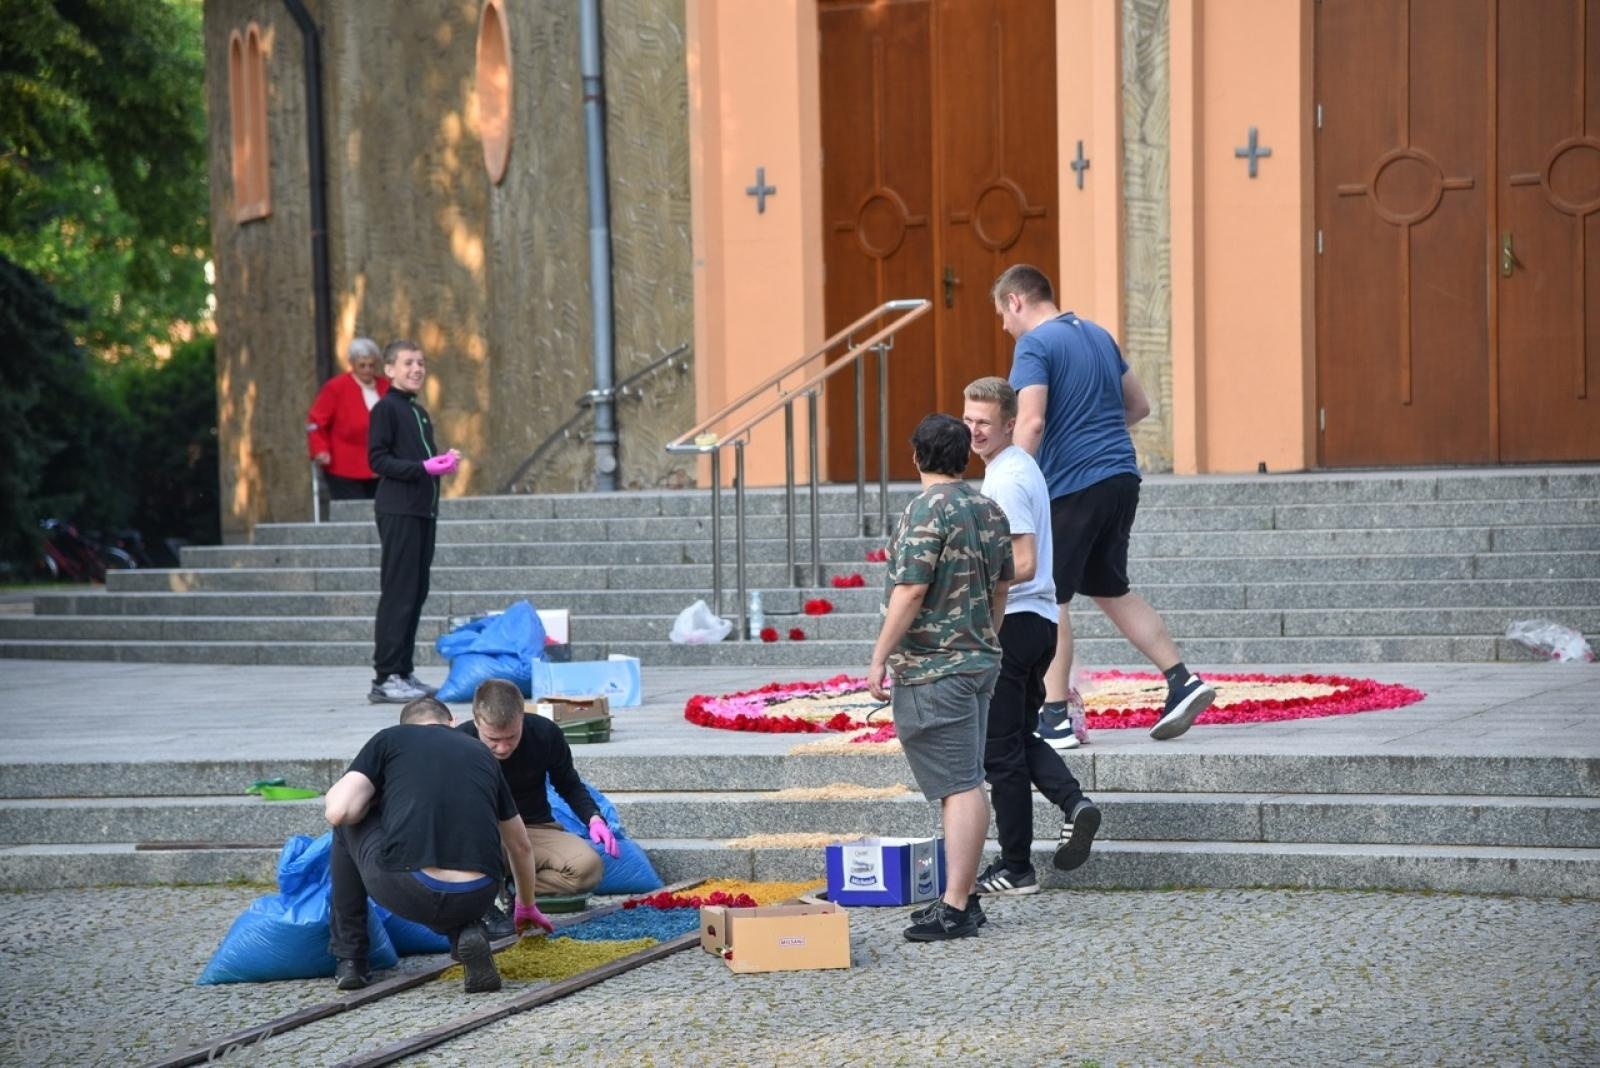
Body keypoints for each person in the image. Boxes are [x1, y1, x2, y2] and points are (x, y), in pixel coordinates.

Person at [996, 264, 1215, 742]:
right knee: (1110, 587)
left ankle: (1053, 716)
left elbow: (1030, 423)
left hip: (1074, 483)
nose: (1005, 327)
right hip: (1120, 476)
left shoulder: (1033, 345)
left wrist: (1013, 482)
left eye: (1003, 315)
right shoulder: (1097, 335)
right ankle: (1182, 680)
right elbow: (1138, 405)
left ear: (1015, 300)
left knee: (1050, 596)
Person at [867, 413, 1013, 942]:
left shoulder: (923, 510)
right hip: (977, 662)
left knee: (960, 784)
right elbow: (1002, 588)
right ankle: (961, 895)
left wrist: (879, 656)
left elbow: (909, 590)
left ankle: (957, 905)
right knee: (966, 777)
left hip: (934, 667)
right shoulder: (988, 509)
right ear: (965, 455)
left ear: (915, 456)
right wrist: (984, 639)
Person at [963, 377, 1101, 894]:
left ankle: (1016, 868)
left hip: (1017, 621)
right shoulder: (1015, 468)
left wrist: (971, 579)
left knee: (1000, 754)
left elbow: (1021, 561)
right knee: (1018, 738)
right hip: (1038, 622)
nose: (974, 431)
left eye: (985, 423)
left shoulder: (1007, 479)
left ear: (1009, 424)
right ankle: (1073, 802)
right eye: (969, 420)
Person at [322, 696, 554, 995]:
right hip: (478, 894)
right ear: (452, 723)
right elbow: (520, 845)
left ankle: (351, 958)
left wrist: (375, 802)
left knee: (346, 827)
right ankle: (465, 933)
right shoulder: (482, 754)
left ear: (405, 726)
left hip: (409, 887)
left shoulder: (390, 739)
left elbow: (339, 812)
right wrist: (526, 905)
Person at [458, 678, 619, 934]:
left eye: (511, 737)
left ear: (522, 717)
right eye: (493, 739)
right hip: (481, 834)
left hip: (533, 827)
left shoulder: (545, 733)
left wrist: (594, 818)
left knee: (587, 868)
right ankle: (482, 901)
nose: (502, 747)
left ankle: (516, 889)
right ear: (477, 722)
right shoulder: (459, 743)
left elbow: (568, 784)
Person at [367, 339, 459, 704]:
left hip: (423, 510)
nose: (416, 369)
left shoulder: (417, 412)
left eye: (420, 363)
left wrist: (442, 463)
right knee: (399, 593)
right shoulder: (385, 409)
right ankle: (385, 675)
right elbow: (378, 459)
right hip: (399, 510)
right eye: (408, 363)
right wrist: (421, 468)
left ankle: (403, 671)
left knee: (416, 592)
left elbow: (419, 460)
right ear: (388, 369)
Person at [307, 337, 389, 501]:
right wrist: (320, 449)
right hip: (345, 465)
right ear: (352, 364)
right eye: (362, 365)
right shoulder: (336, 387)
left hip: (381, 464)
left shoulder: (385, 386)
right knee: (352, 513)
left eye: (372, 365)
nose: (367, 370)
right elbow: (315, 423)